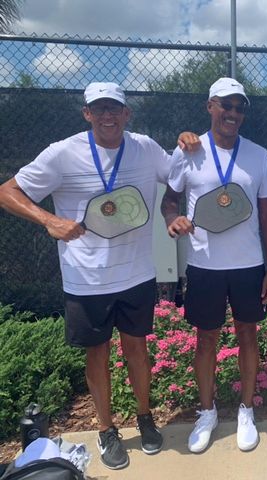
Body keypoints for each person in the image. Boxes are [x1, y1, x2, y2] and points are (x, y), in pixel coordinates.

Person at [0, 82, 199, 470]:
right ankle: (107, 430)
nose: (108, 115)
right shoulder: (62, 153)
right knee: (98, 354)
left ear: (127, 114)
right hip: (86, 279)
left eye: (115, 109)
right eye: (99, 109)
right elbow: (8, 191)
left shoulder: (143, 147)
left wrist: (190, 143)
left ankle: (145, 417)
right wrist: (49, 219)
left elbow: (179, 173)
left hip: (138, 273)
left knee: (137, 350)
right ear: (87, 113)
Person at [160, 77, 267, 453]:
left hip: (248, 265)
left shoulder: (259, 155)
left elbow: (266, 215)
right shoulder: (188, 151)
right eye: (225, 105)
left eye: (239, 107)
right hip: (204, 265)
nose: (232, 113)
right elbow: (170, 200)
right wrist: (171, 220)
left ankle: (246, 410)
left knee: (248, 334)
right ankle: (208, 412)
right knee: (206, 338)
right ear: (210, 106)